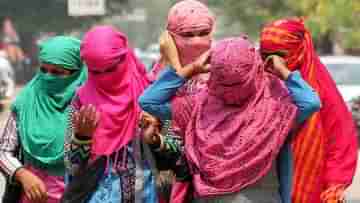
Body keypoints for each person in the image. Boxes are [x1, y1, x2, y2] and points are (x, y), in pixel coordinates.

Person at [139, 36, 321, 203]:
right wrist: (284, 72)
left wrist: (191, 68)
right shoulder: (274, 111)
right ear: (255, 67)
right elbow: (311, 103)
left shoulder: (196, 106)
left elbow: (148, 101)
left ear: (214, 70)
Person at [260, 18, 358, 203]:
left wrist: (334, 185)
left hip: (311, 187)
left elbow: (340, 141)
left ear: (300, 50)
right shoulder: (254, 87)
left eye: (280, 55)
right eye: (265, 56)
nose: (272, 64)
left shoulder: (320, 91)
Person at [63, 26, 158, 203]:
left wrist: (156, 139)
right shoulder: (80, 101)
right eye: (96, 72)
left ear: (125, 56)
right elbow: (72, 166)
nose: (105, 78)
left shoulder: (150, 93)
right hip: (97, 195)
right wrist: (82, 138)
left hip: (145, 195)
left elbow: (176, 151)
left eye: (110, 69)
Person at [0, 36, 87, 203]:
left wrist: (83, 138)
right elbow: (4, 151)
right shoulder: (25, 102)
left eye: (57, 72)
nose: (48, 77)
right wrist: (22, 174)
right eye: (44, 70)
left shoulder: (86, 105)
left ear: (76, 73)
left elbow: (87, 163)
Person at [147, 1, 215, 201]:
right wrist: (180, 67)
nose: (196, 41)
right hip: (176, 175)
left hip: (215, 169)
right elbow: (154, 121)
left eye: (203, 33)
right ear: (170, 36)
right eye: (187, 34)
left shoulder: (222, 66)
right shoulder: (160, 75)